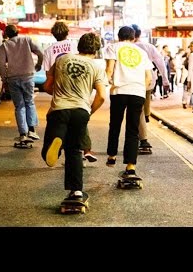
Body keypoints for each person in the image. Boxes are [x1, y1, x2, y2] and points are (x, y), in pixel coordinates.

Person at [40, 32, 106, 202]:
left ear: (79, 46)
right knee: (75, 151)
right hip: (80, 111)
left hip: (59, 109)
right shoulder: (97, 66)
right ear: (96, 49)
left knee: (50, 146)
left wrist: (59, 94)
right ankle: (76, 191)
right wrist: (89, 111)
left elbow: (47, 86)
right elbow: (102, 96)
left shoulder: (61, 59)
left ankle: (55, 142)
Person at [42, 21, 98, 163]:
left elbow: (48, 78)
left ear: (53, 35)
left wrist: (55, 91)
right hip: (80, 87)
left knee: (54, 117)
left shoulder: (49, 50)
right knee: (80, 116)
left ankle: (57, 143)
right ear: (67, 32)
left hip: (61, 89)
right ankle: (86, 150)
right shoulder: (74, 46)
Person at [103, 25, 153, 178]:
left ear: (119, 37)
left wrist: (106, 83)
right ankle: (130, 167)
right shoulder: (142, 52)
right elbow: (149, 78)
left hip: (119, 91)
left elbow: (109, 70)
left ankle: (112, 156)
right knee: (133, 129)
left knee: (115, 124)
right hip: (138, 92)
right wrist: (140, 90)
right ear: (134, 38)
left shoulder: (113, 47)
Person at [0, 24, 43, 143]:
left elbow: (1, 65)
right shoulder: (26, 40)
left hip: (13, 78)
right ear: (17, 32)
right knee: (29, 102)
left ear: (6, 34)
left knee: (19, 106)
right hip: (28, 76)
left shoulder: (4, 46)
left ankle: (23, 133)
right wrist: (39, 64)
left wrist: (4, 79)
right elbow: (40, 52)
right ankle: (32, 130)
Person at [131, 23, 169, 153]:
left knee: (135, 110)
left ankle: (140, 137)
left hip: (132, 81)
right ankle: (145, 121)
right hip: (148, 81)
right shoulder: (149, 47)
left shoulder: (126, 48)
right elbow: (160, 63)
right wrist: (165, 80)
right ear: (139, 34)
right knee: (142, 106)